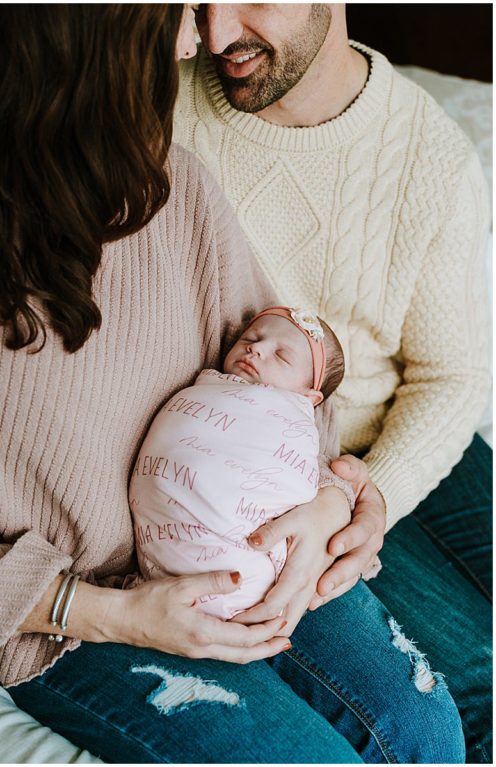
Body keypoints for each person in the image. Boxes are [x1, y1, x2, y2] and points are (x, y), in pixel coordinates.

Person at [0, 4, 463, 763]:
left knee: (431, 732)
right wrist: (119, 613)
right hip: (75, 619)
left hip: (244, 543)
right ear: (106, 40)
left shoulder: (176, 186)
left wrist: (331, 498)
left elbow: (301, 388)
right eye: (183, 12)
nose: (196, 42)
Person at [173, 4, 492, 759]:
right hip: (269, 471)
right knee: (478, 688)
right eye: (201, 3)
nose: (219, 36)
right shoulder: (163, 111)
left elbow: (450, 375)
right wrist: (323, 501)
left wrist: (363, 491)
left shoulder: (432, 156)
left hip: (396, 446)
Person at [131, 307, 355, 619]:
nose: (256, 348)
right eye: (251, 337)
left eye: (282, 356)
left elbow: (294, 479)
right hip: (162, 552)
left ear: (310, 398)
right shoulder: (208, 388)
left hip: (257, 575)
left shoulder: (293, 420)